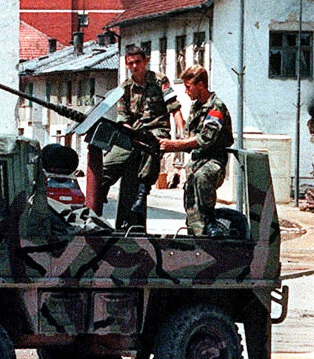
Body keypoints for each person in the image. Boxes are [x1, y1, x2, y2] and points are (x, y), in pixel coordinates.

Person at [99, 45, 184, 229]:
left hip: (156, 129)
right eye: (131, 63)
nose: (136, 66)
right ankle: (96, 205)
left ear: (145, 61)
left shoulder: (160, 80)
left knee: (150, 147)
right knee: (107, 165)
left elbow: (174, 107)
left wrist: (184, 133)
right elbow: (123, 119)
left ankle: (141, 193)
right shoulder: (125, 89)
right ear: (126, 65)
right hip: (132, 133)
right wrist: (131, 133)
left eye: (138, 62)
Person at [159, 65, 234, 237]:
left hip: (214, 161)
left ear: (200, 85)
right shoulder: (196, 107)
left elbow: (205, 139)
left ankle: (210, 220)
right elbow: (189, 134)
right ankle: (196, 235)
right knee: (191, 201)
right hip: (196, 162)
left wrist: (175, 145)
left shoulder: (216, 107)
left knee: (202, 177)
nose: (186, 91)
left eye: (188, 87)